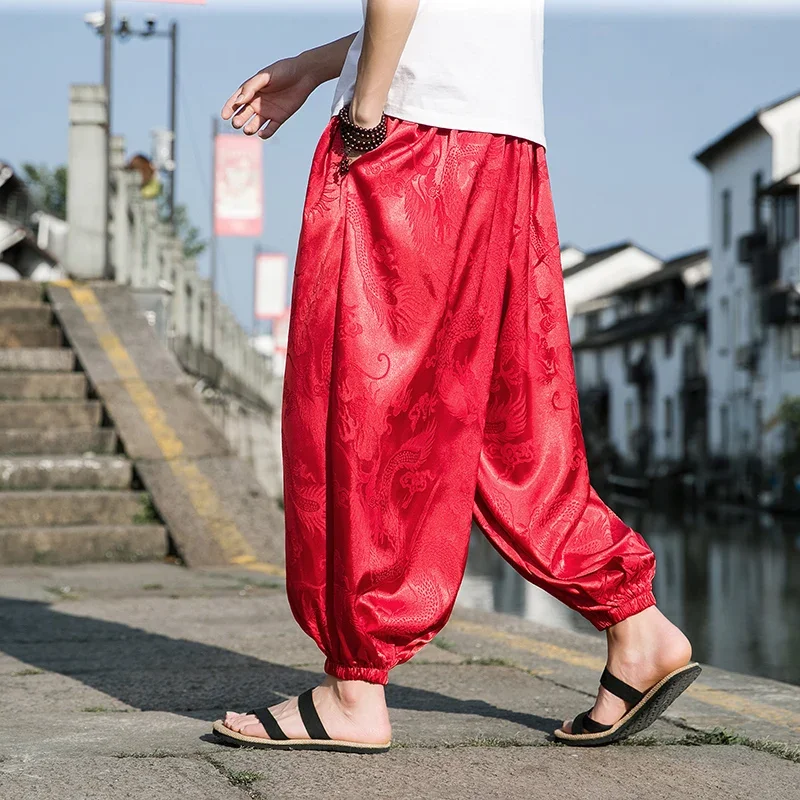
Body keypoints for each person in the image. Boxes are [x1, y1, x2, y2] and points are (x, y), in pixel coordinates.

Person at [213, 0, 698, 753]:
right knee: (509, 420)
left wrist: (363, 114)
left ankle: (355, 688)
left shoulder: (388, 123)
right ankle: (634, 626)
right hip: (505, 146)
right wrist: (319, 66)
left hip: (411, 141)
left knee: (362, 409)